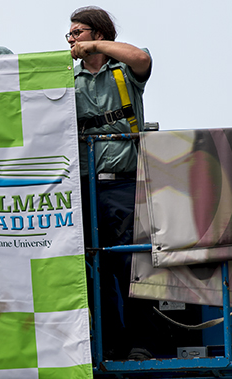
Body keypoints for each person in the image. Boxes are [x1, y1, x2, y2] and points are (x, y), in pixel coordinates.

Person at [67, 6, 154, 360]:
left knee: (130, 265)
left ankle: (140, 344)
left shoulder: (124, 71)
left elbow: (140, 57)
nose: (71, 40)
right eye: (69, 35)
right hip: (84, 187)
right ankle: (109, 346)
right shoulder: (67, 79)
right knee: (93, 268)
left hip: (123, 184)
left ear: (98, 34)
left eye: (77, 32)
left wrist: (95, 48)